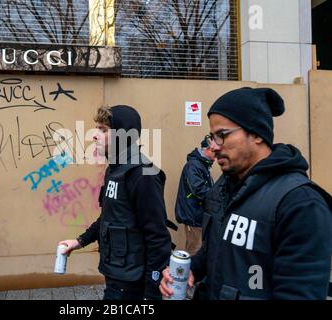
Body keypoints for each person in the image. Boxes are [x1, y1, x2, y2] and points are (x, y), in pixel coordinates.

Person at [160, 87, 332, 300]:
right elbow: (213, 250)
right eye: (212, 137)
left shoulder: (301, 203)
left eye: (222, 135)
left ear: (257, 134)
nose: (213, 147)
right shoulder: (221, 188)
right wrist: (189, 269)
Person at [59, 105, 172, 300]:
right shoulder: (114, 169)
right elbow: (109, 217)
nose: (94, 135)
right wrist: (79, 241)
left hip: (132, 284)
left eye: (103, 129)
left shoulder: (143, 174)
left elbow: (158, 238)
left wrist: (152, 293)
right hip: (116, 275)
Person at [175, 138, 215, 256]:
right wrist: (215, 197)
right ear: (206, 150)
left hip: (197, 215)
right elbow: (198, 189)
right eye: (214, 151)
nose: (217, 154)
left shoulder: (202, 165)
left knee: (198, 248)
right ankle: (190, 273)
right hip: (193, 216)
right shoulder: (194, 166)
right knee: (194, 249)